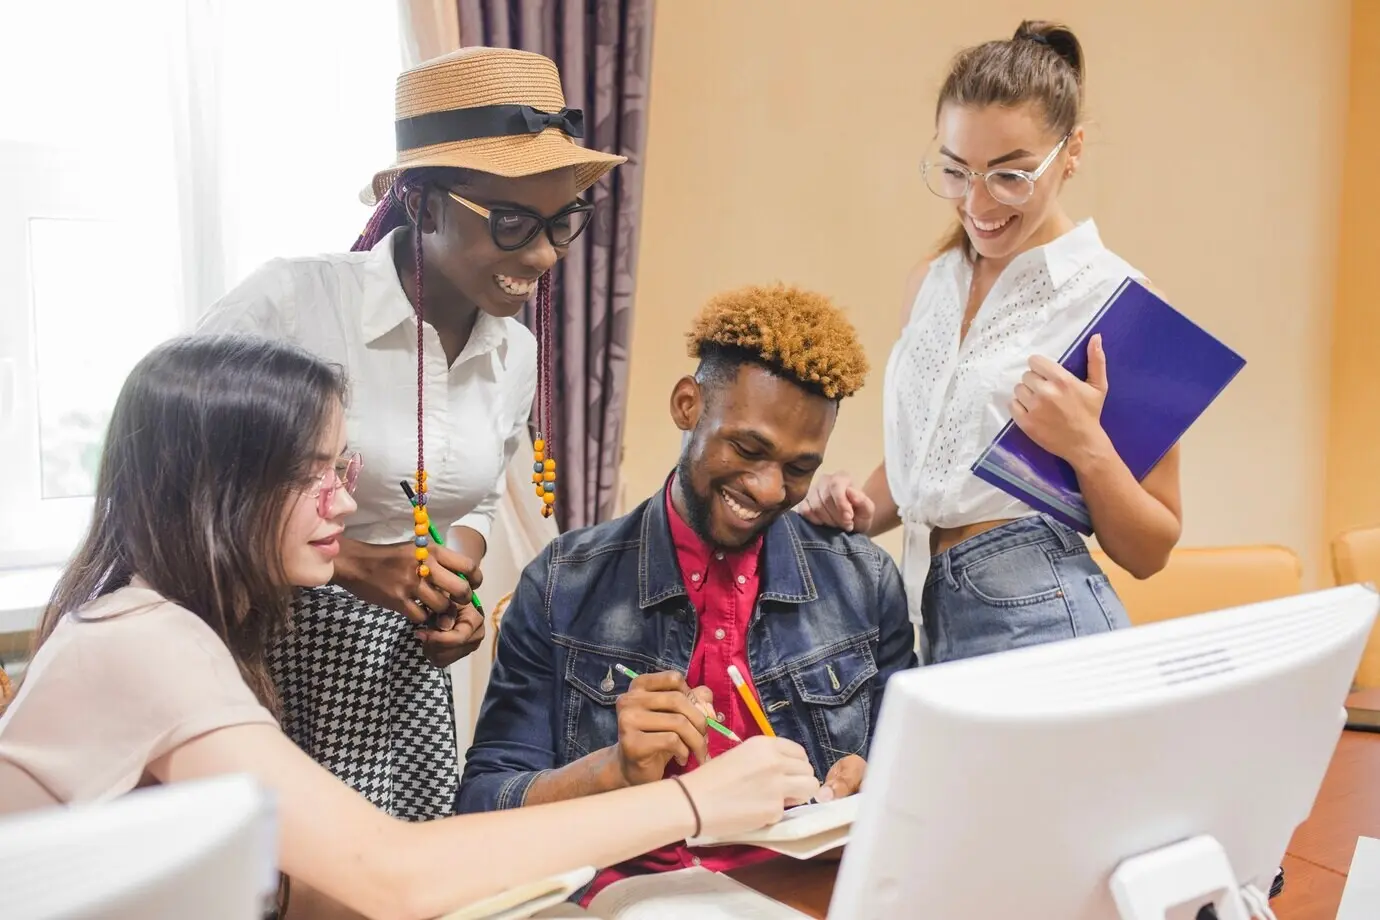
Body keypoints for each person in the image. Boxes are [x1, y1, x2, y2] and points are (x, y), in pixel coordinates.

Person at [0, 335, 820, 920]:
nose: (345, 504)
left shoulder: (182, 628)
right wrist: (692, 801)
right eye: (311, 477)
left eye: (342, 469)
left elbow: (312, 887)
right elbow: (389, 872)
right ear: (217, 494)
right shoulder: (141, 640)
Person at [196, 47, 625, 819]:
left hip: (401, 678)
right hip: (264, 653)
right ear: (424, 206)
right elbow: (174, 479)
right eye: (510, 222)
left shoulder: (514, 351)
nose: (542, 255)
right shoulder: (296, 304)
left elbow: (480, 503)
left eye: (564, 221)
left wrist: (448, 583)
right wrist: (354, 563)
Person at [458, 284, 917, 902]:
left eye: (799, 469)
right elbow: (484, 809)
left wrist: (876, 789)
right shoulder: (562, 585)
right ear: (687, 404)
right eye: (748, 449)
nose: (767, 488)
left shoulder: (864, 582)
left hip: (809, 896)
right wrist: (613, 770)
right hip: (629, 897)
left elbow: (915, 785)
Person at [799, 21, 1183, 665]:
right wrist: (854, 505)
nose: (977, 202)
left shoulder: (1124, 304)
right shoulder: (930, 282)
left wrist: (1087, 447)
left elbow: (1153, 549)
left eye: (1011, 176)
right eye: (956, 171)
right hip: (925, 615)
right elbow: (931, 467)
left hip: (1044, 622)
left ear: (1074, 151)